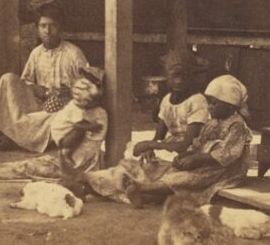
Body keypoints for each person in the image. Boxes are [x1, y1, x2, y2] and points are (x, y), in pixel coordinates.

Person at [78, 74, 253, 207]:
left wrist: (197, 159)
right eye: (210, 102)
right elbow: (199, 142)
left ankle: (142, 188)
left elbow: (228, 154)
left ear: (230, 106)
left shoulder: (237, 125)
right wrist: (188, 155)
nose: (210, 107)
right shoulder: (213, 121)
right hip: (206, 162)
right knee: (174, 170)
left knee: (192, 178)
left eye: (215, 104)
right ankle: (141, 192)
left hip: (227, 170)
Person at [0, 4, 89, 152]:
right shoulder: (36, 53)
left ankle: (18, 138)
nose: (47, 31)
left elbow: (88, 85)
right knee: (7, 79)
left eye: (52, 26)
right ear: (37, 29)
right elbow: (25, 81)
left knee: (65, 119)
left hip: (60, 107)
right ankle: (16, 135)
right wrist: (34, 88)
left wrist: (69, 93)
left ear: (60, 28)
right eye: (43, 26)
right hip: (38, 103)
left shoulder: (73, 53)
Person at [0, 67, 108, 181]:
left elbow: (70, 142)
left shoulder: (90, 116)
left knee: (29, 168)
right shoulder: (91, 111)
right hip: (72, 161)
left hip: (75, 167)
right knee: (35, 164)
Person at [131, 49, 209, 161]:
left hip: (194, 152)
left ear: (191, 77)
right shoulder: (166, 100)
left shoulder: (196, 101)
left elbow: (186, 145)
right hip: (172, 147)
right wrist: (149, 149)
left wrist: (150, 145)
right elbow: (159, 137)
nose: (179, 81)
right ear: (167, 76)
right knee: (134, 156)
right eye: (175, 76)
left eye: (184, 76)